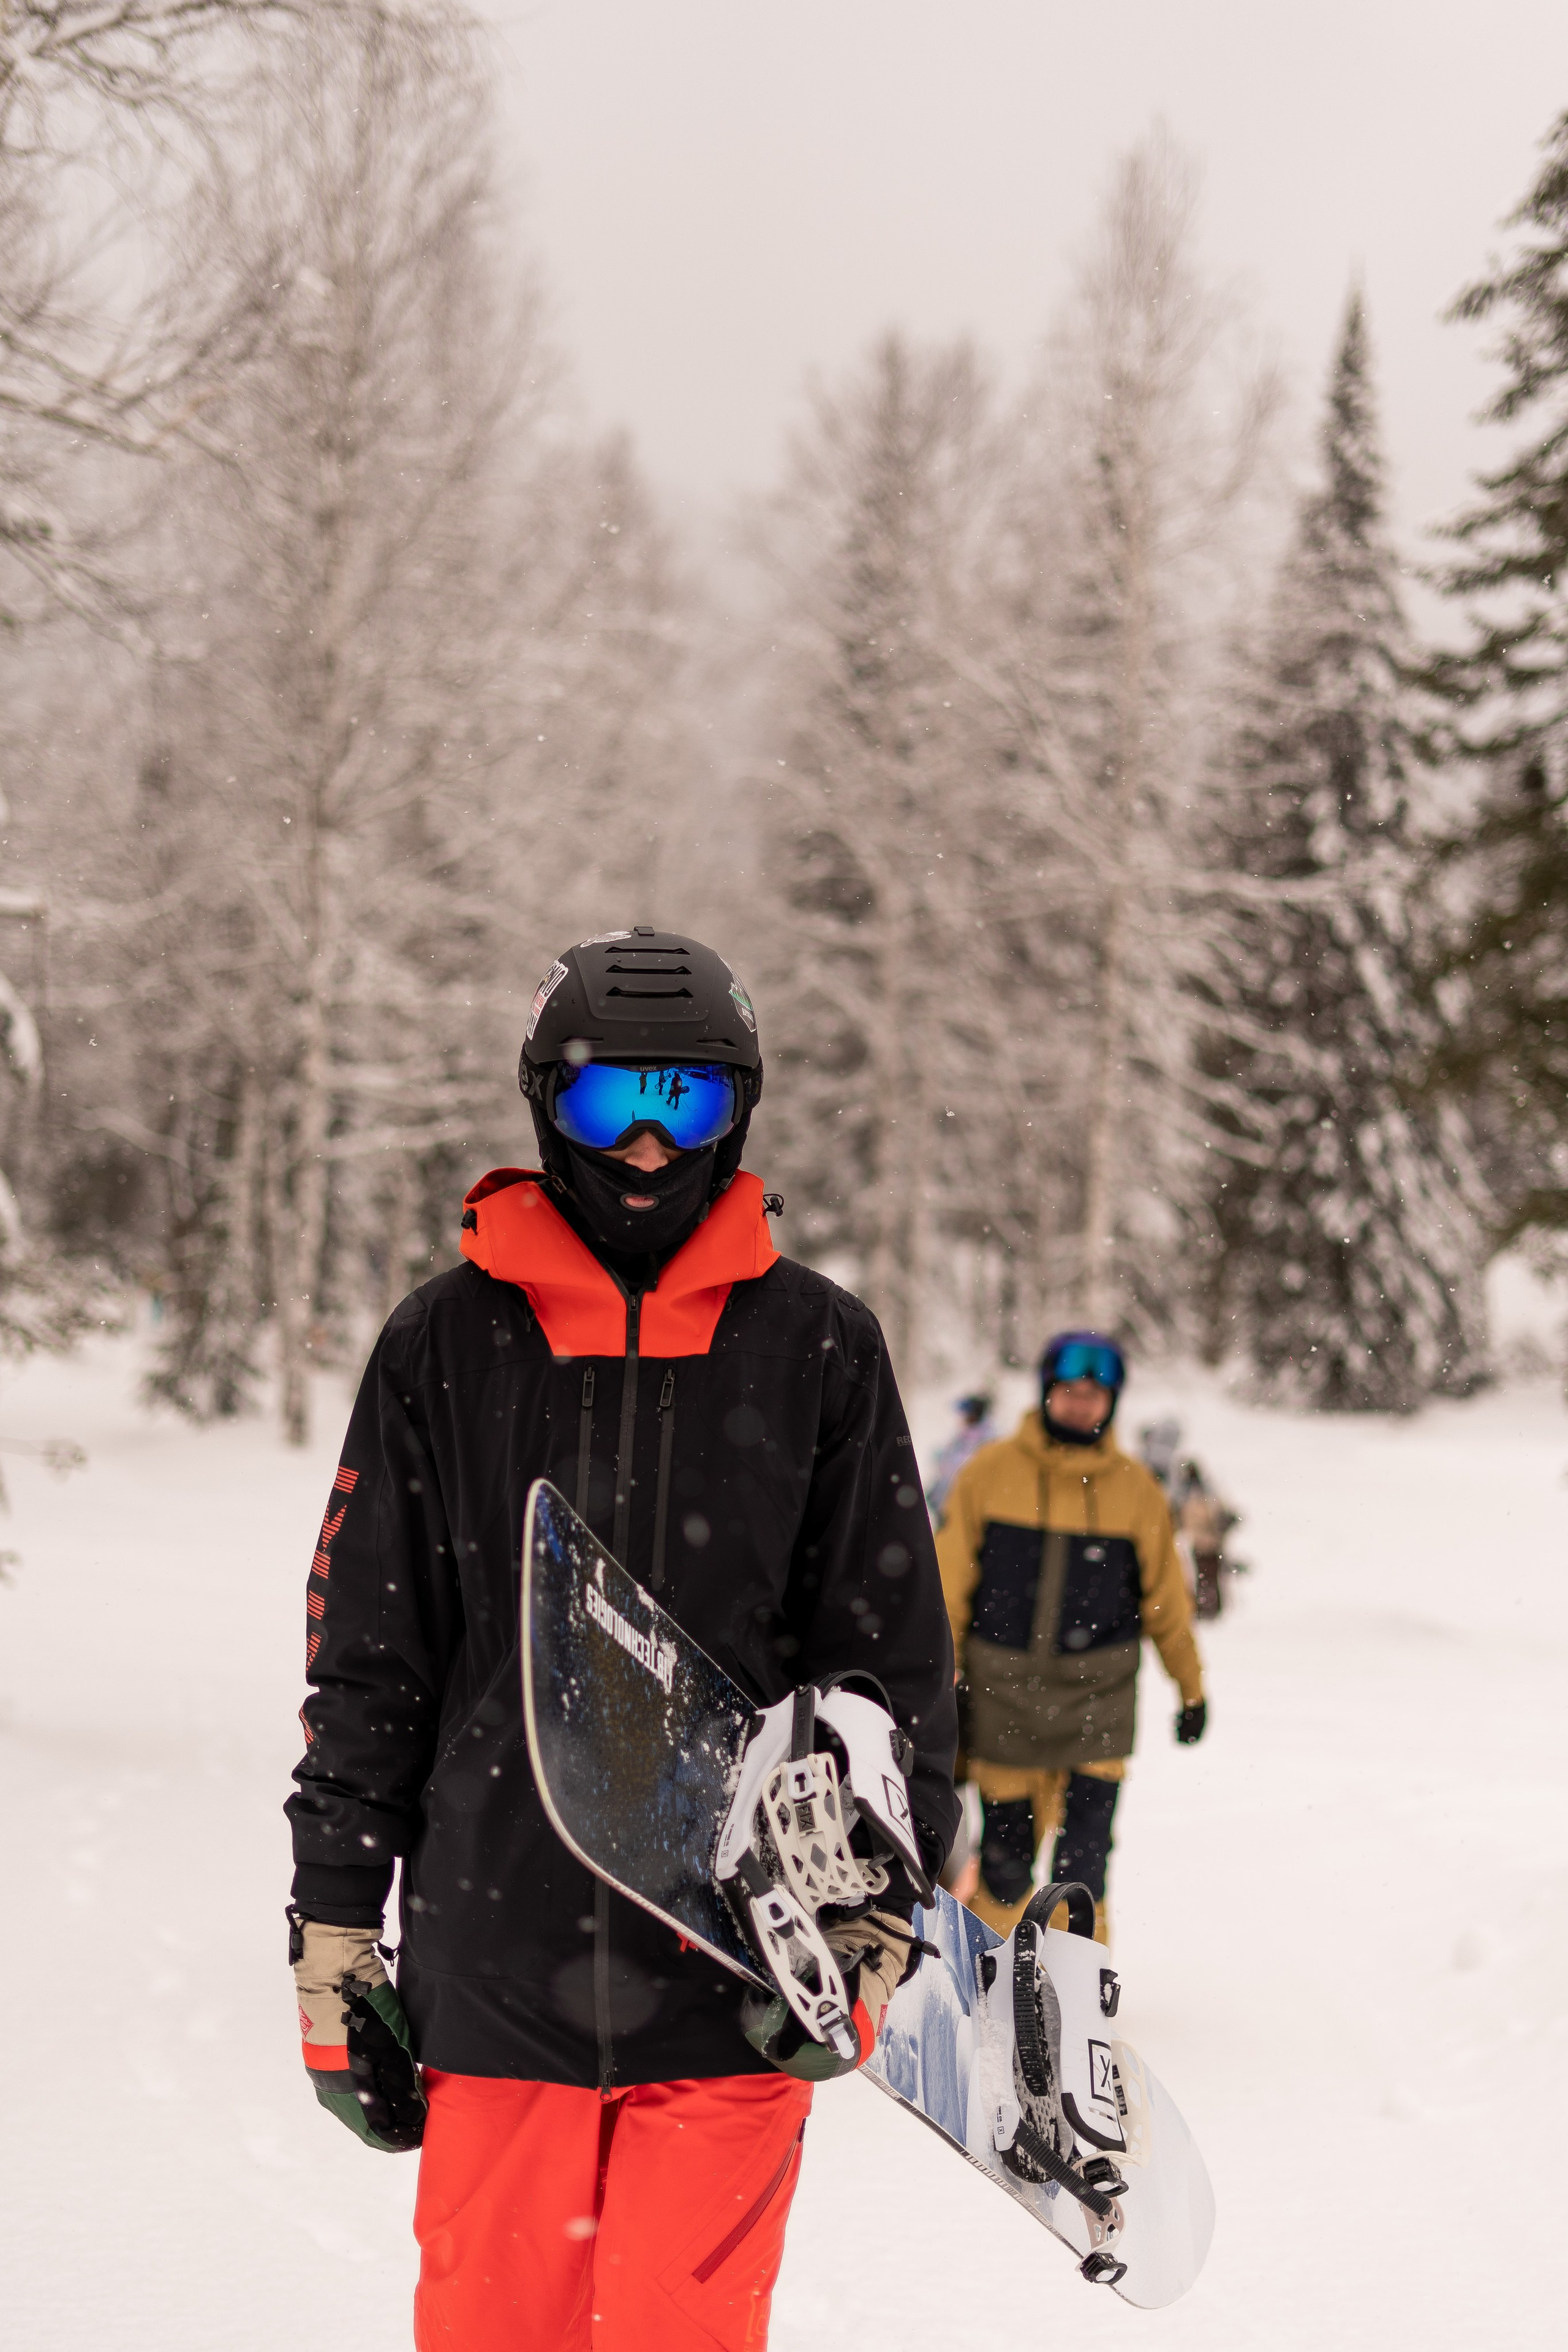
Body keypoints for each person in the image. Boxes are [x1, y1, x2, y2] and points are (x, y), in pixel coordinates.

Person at [285, 928, 960, 2352]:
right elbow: (369, 1662)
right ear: (547, 1103)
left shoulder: (818, 1347)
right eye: (609, 1103)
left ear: (739, 1109)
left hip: (735, 1973)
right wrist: (337, 1928)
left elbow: (887, 1662)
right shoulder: (446, 1343)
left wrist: (868, 1909)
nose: (647, 1144)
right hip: (492, 1963)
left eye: (687, 1100)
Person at [935, 1330, 1205, 1945]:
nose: (1082, 1406)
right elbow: (948, 1584)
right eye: (1070, 1392)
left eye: (1095, 1395)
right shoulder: (989, 1474)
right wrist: (936, 1671)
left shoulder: (1136, 1490)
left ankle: (1078, 1995)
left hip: (1098, 1702)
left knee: (1084, 1867)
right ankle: (985, 1984)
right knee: (1004, 1865)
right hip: (1005, 1698)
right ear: (1046, 1393)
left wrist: (1191, 1688)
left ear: (1111, 1403)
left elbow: (1167, 1602)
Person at [924, 1390, 997, 1520]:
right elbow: (947, 1459)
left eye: (966, 1414)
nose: (963, 1418)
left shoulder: (988, 1438)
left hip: (967, 1506)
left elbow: (966, 1468)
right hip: (947, 1502)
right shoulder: (963, 1435)